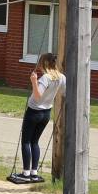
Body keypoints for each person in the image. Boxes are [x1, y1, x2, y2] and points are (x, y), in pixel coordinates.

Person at [10, 52, 63, 182]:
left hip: (34, 112)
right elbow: (64, 91)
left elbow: (38, 96)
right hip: (46, 113)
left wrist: (34, 81)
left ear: (44, 63)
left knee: (26, 141)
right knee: (35, 141)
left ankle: (26, 173)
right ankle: (34, 172)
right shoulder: (61, 77)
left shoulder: (45, 78)